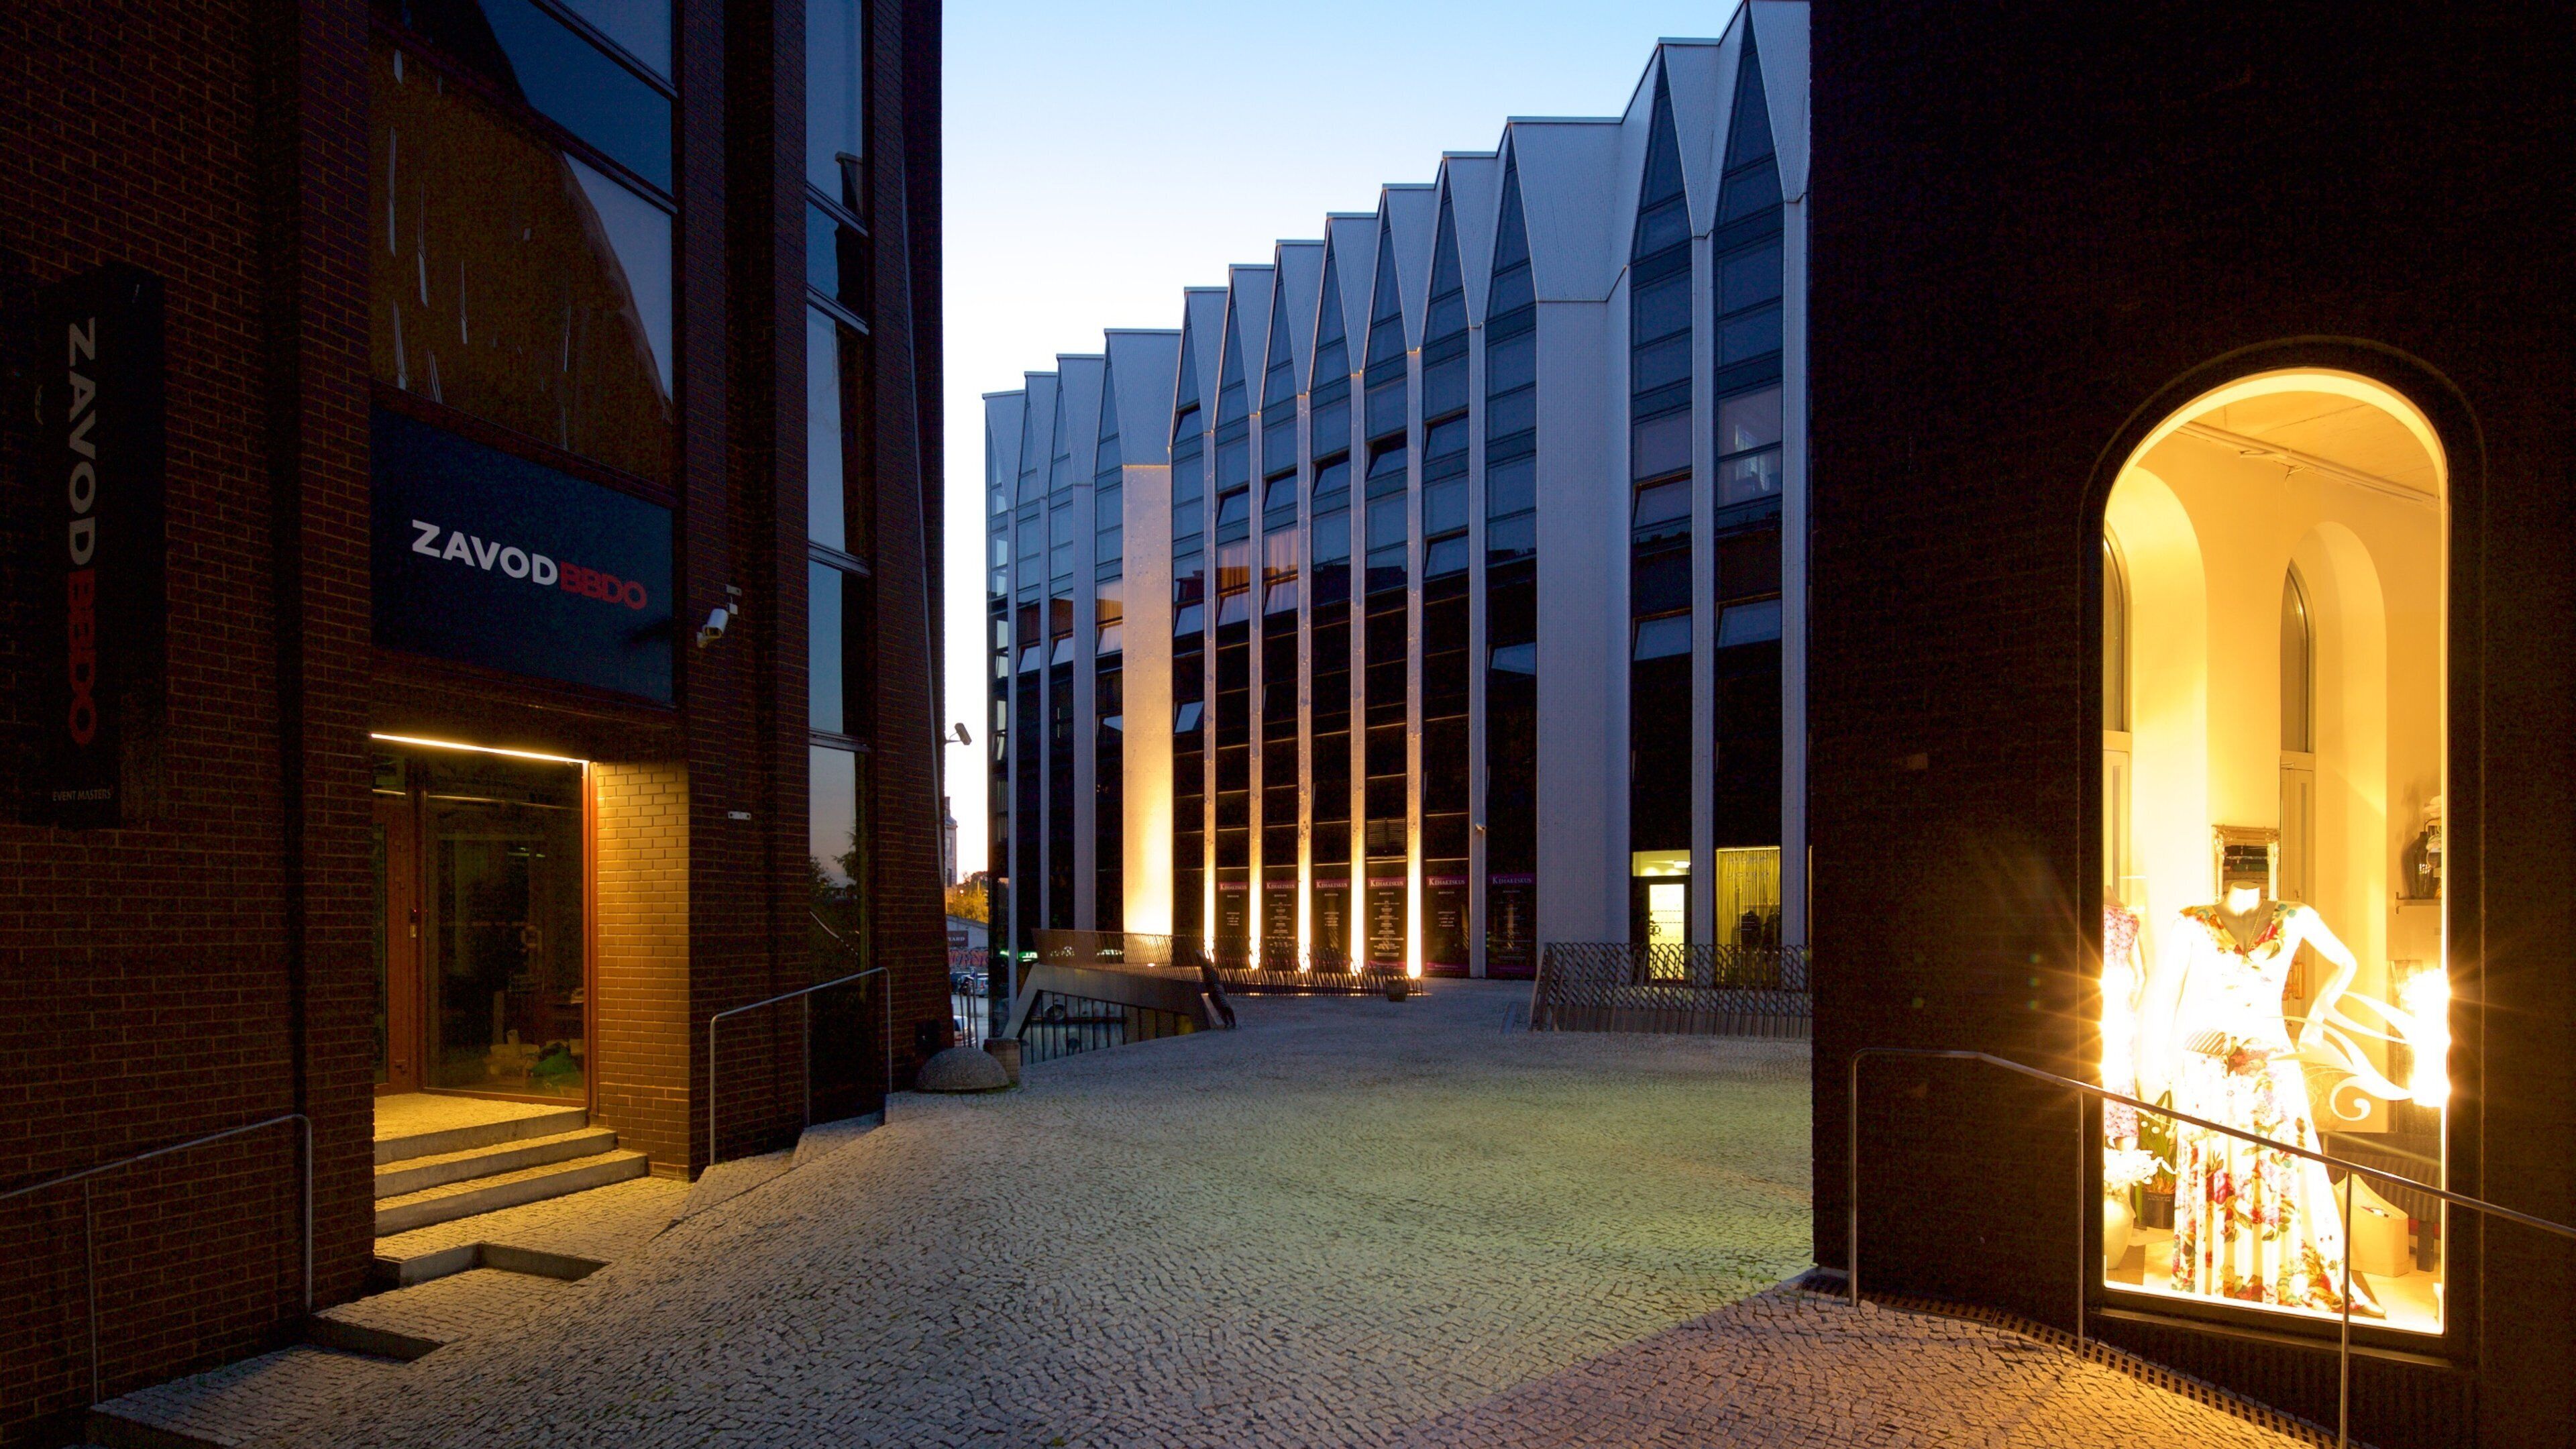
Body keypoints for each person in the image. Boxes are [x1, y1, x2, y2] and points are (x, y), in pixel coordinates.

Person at [2138, 881, 2382, 1316]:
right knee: (2219, 1160)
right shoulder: (2192, 920)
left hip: (2271, 1057)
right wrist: (2159, 1066)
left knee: (2282, 1163)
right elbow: (2162, 995)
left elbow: (2348, 962)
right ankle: (2220, 1278)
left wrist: (2316, 1020)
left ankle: (2278, 1275)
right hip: (2206, 1062)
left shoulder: (2296, 916)